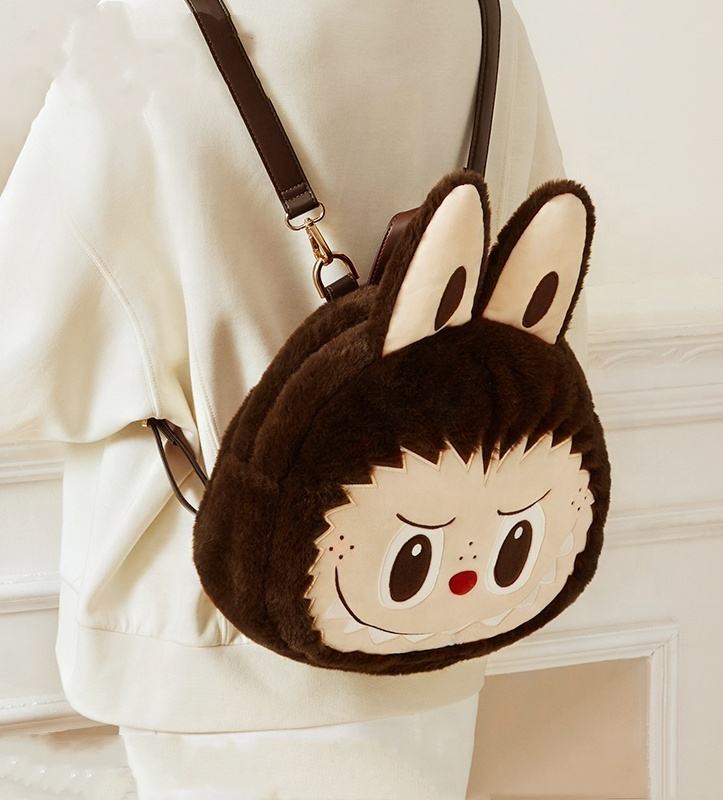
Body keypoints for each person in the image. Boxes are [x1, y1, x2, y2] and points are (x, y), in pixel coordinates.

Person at [0, 1, 563, 797]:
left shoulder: (147, 25)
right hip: (431, 617)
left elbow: (22, 350)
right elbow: (539, 304)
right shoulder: (482, 15)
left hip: (206, 635)